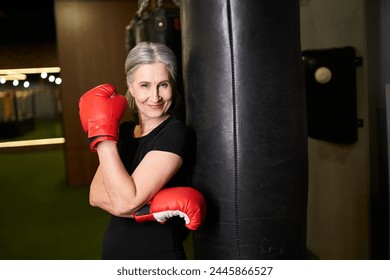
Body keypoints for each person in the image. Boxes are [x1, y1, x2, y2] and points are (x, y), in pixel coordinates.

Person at [78, 42, 205, 260]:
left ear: (172, 85)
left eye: (163, 84)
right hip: (114, 253)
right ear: (131, 86)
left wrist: (102, 136)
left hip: (157, 257)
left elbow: (124, 202)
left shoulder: (175, 133)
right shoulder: (125, 131)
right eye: (145, 85)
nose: (155, 97)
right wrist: (151, 210)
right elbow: (95, 195)